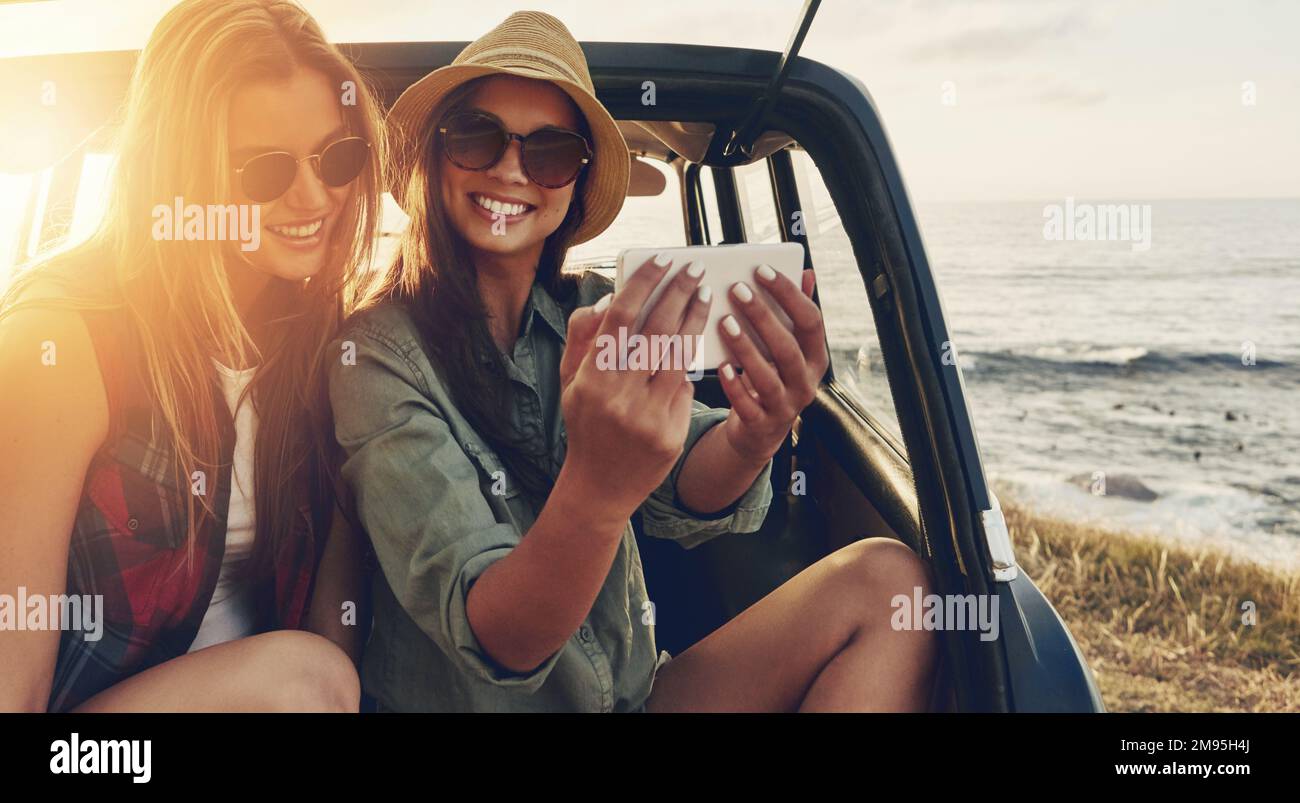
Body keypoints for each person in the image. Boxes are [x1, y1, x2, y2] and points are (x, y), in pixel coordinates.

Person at [330, 10, 937, 712]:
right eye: (476, 138)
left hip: (629, 696)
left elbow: (684, 475)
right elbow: (496, 634)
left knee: (893, 588)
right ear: (435, 160)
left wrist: (752, 433)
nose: (509, 169)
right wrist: (596, 485)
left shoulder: (597, 305)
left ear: (576, 183)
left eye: (549, 152)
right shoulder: (373, 354)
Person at [0, 0, 383, 712]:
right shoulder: (61, 344)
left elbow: (338, 633)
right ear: (179, 173)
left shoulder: (323, 343)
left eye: (337, 157)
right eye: (264, 170)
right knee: (304, 678)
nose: (314, 195)